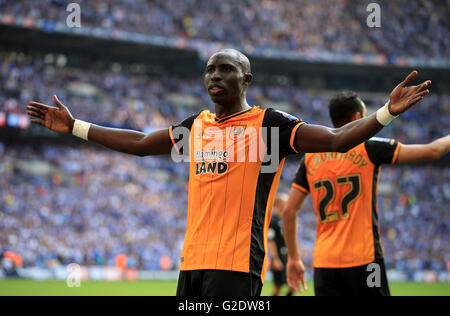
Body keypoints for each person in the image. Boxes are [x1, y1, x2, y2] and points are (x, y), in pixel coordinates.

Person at [26, 49, 431, 296]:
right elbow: (139, 144)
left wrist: (386, 113)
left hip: (237, 267)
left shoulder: (269, 125)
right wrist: (76, 126)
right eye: (209, 70)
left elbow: (335, 140)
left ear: (247, 79)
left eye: (225, 69)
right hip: (192, 266)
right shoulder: (195, 127)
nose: (214, 76)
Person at [283, 91, 450, 296]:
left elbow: (289, 211)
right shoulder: (370, 148)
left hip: (325, 264)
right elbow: (433, 151)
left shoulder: (310, 159)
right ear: (357, 118)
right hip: (365, 260)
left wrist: (293, 258)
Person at [268, 194, 295, 296]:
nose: (287, 204)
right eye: (285, 202)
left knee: (293, 284)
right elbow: (271, 241)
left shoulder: (283, 220)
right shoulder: (273, 221)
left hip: (287, 257)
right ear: (279, 204)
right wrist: (274, 259)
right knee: (277, 287)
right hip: (278, 257)